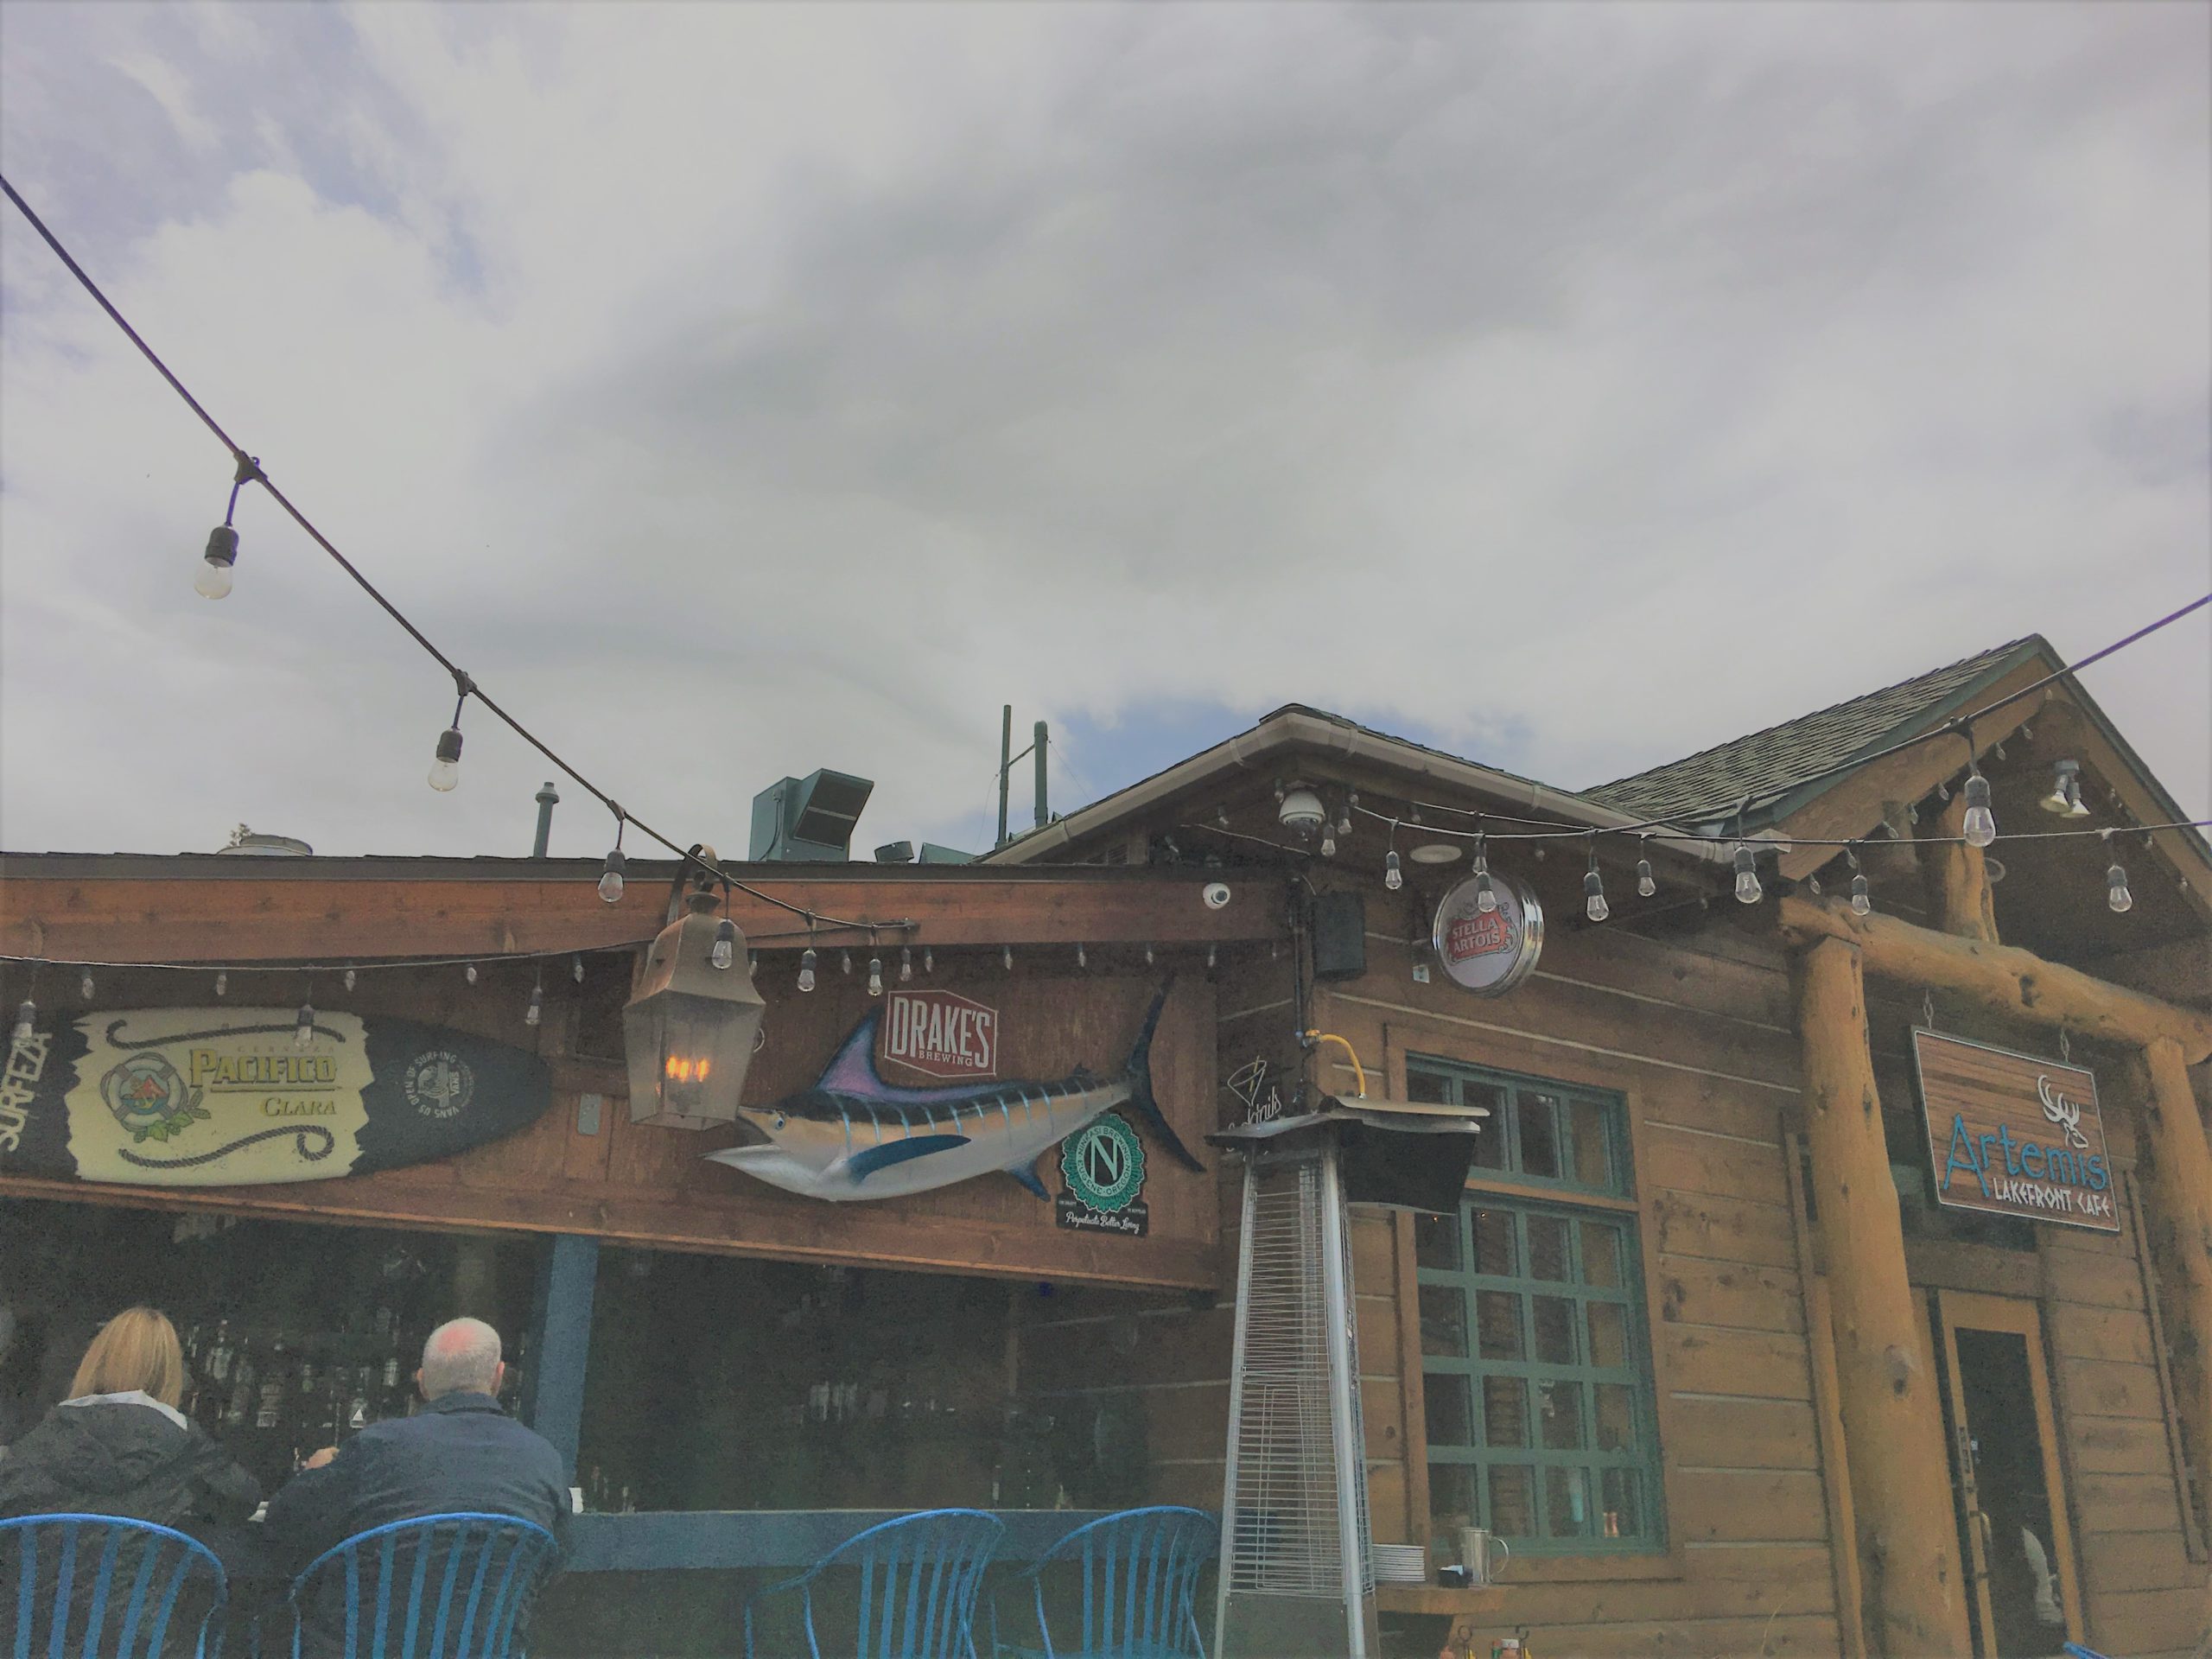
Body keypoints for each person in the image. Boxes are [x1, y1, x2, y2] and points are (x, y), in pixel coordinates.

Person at [263, 1317, 568, 1574]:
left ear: (421, 1382)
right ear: (498, 1377)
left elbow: (281, 1522)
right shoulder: (543, 1458)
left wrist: (314, 1475)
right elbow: (559, 1555)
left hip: (375, 1629)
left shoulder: (377, 1447)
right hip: (494, 1630)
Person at [0, 1306, 262, 1535]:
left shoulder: (45, 1435)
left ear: (94, 1362)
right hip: (139, 1579)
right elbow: (243, 1501)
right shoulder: (184, 1443)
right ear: (170, 1373)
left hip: (36, 1578)